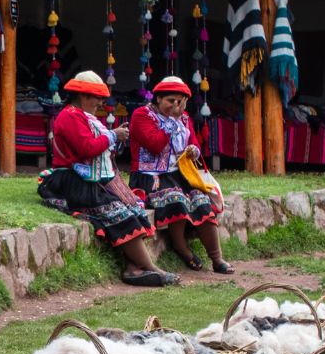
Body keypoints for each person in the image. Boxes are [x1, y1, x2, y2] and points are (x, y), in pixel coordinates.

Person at [38, 70, 175, 287]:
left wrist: (113, 137)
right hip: (72, 180)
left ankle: (134, 269)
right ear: (83, 96)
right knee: (117, 213)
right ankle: (150, 268)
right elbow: (86, 148)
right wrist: (113, 135)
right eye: (97, 98)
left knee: (133, 211)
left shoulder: (83, 117)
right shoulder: (69, 116)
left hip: (89, 180)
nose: (100, 102)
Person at [129, 76, 231, 273]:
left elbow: (193, 142)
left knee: (201, 200)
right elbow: (156, 145)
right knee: (176, 199)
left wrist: (194, 150)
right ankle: (182, 249)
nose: (175, 106)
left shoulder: (184, 119)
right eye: (170, 101)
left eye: (179, 101)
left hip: (178, 174)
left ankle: (217, 258)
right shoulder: (141, 116)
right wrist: (171, 121)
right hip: (151, 176)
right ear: (158, 99)